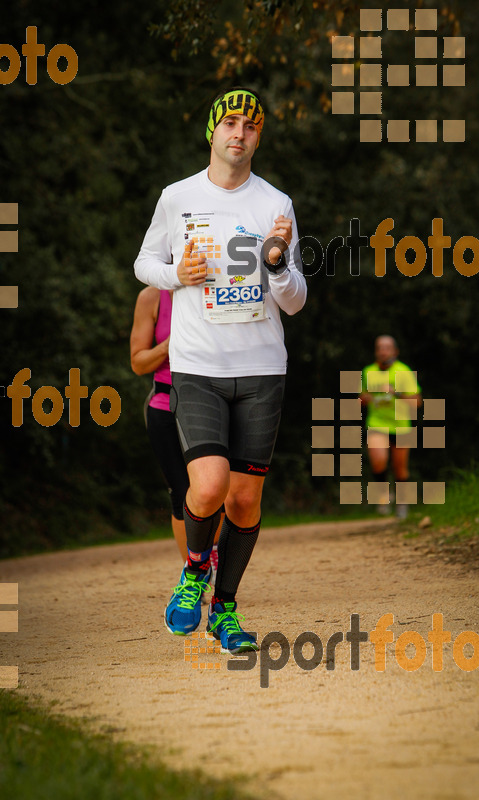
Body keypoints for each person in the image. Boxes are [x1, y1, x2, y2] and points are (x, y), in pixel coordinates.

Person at [134, 87, 307, 654]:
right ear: (211, 132)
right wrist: (177, 276)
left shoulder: (276, 204)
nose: (240, 133)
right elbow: (144, 263)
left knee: (244, 503)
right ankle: (192, 574)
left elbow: (296, 300)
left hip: (261, 369)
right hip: (198, 365)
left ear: (259, 137)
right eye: (230, 123)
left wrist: (278, 263)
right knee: (207, 486)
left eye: (250, 126)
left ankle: (224, 610)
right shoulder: (176, 198)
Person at [129, 287, 219, 606]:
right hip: (165, 402)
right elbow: (138, 363)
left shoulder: (219, 284)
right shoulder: (152, 297)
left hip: (213, 400)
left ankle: (213, 560)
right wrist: (172, 343)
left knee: (216, 489)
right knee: (182, 493)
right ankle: (195, 575)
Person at [360, 335, 421, 519]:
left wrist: (396, 393)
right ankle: (384, 495)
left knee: (400, 467)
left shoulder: (404, 371)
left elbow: (417, 402)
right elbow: (362, 397)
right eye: (380, 347)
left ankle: (402, 504)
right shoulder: (368, 371)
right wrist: (368, 398)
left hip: (401, 426)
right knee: (378, 460)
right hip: (377, 423)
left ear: (395, 351)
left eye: (387, 347)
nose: (383, 351)